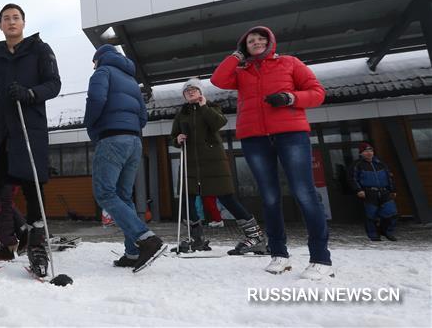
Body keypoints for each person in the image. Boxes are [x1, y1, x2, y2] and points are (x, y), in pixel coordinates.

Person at [211, 26, 331, 280]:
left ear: (270, 42)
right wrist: (236, 56)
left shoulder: (290, 63)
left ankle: (320, 257)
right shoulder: (242, 72)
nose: (255, 42)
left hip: (291, 134)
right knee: (269, 197)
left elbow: (317, 93)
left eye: (260, 39)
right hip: (255, 138)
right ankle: (279, 254)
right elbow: (218, 80)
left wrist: (290, 98)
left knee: (304, 193)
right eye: (250, 41)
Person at [0, 3, 61, 277]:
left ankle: (37, 246)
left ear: (23, 22)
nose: (11, 22)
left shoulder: (41, 50)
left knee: (32, 188)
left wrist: (30, 93)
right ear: (0, 25)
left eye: (15, 17)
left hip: (28, 130)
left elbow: (54, 84)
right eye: (6, 18)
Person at [83, 44, 166, 272]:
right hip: (134, 142)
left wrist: (90, 124)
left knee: (105, 193)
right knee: (123, 196)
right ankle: (133, 252)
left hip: (111, 139)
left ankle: (146, 238)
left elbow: (95, 100)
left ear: (98, 59)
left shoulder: (102, 72)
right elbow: (143, 116)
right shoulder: (131, 81)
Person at [169, 78, 267, 255]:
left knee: (227, 198)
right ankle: (196, 239)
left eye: (194, 89)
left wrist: (204, 107)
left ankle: (256, 237)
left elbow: (218, 123)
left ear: (201, 92)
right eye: (187, 90)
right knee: (187, 200)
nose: (190, 92)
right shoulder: (181, 114)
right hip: (190, 165)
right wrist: (177, 139)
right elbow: (173, 136)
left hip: (214, 163)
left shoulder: (212, 108)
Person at [350, 143, 398, 241]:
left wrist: (393, 189)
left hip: (384, 191)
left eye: (371, 151)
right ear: (361, 153)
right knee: (371, 215)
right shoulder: (357, 165)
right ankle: (373, 235)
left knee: (392, 213)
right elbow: (352, 179)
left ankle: (387, 231)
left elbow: (389, 177)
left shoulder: (380, 163)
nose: (369, 153)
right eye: (366, 151)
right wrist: (359, 190)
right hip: (369, 192)